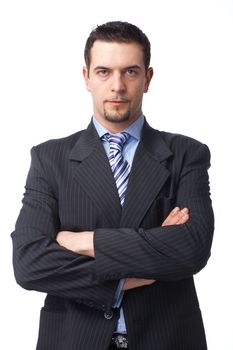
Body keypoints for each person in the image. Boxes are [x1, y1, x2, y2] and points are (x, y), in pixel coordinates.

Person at [11, 21, 214, 350]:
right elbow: (29, 263)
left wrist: (81, 242)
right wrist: (139, 274)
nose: (117, 86)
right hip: (74, 340)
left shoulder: (186, 154)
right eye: (104, 71)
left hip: (167, 339)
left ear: (147, 79)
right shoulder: (50, 158)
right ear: (86, 78)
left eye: (130, 72)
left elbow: (191, 249)